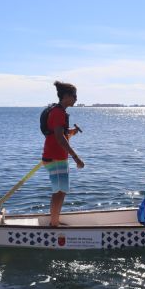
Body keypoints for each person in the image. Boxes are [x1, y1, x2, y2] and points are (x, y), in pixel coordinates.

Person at [41, 81, 85, 227]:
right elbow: (59, 137)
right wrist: (76, 158)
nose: (76, 99)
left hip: (55, 157)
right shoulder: (58, 112)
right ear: (66, 96)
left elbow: (60, 133)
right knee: (59, 191)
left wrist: (72, 131)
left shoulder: (58, 112)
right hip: (55, 158)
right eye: (74, 96)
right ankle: (54, 224)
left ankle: (55, 220)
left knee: (61, 190)